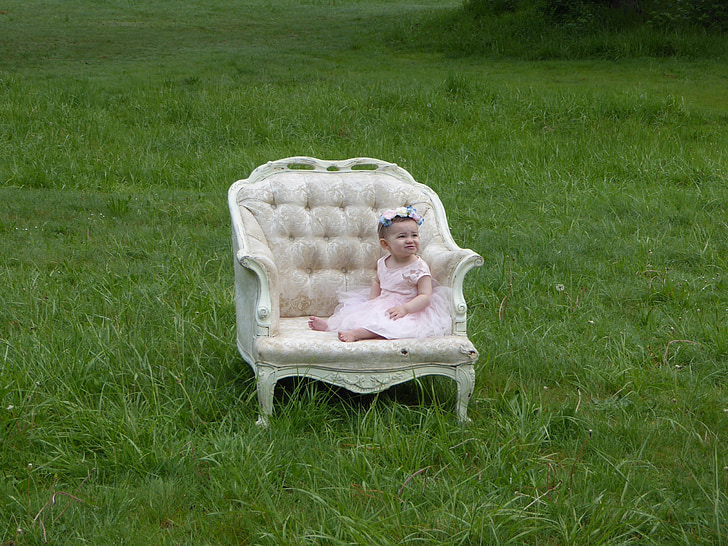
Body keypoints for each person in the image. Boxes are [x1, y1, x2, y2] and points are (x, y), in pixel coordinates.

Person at [308, 206, 451, 342]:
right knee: (361, 316)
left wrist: (405, 309)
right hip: (383, 302)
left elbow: (425, 296)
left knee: (387, 325)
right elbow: (378, 281)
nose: (410, 240)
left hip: (409, 309)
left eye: (414, 235)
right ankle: (332, 326)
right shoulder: (383, 262)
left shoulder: (419, 267)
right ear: (385, 244)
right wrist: (372, 301)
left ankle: (357, 334)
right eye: (402, 236)